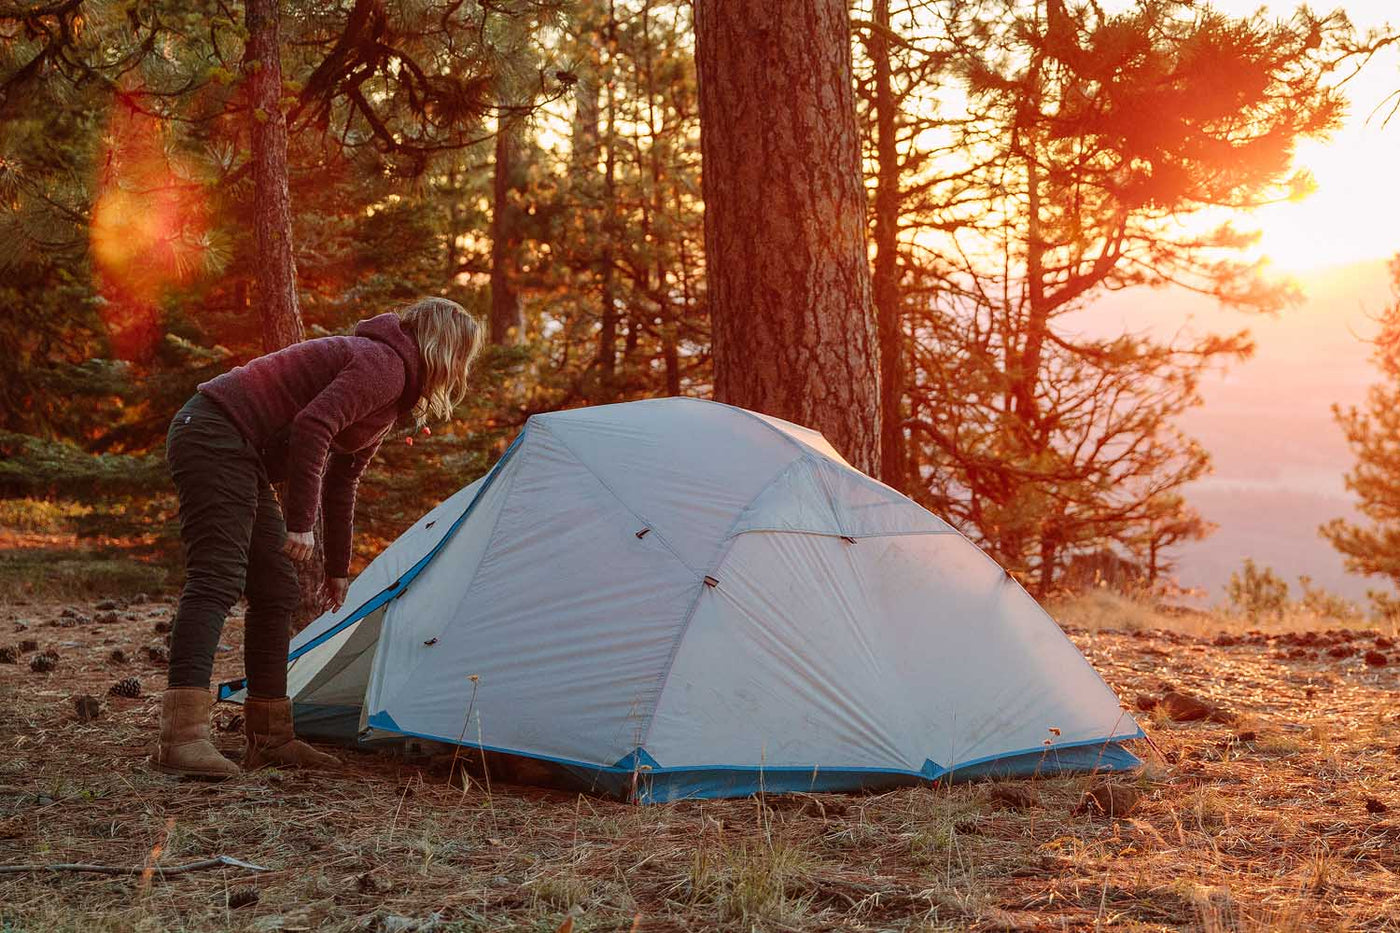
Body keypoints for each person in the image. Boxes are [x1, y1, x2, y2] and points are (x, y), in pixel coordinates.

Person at [155, 298, 483, 778]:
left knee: (276, 590)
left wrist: (337, 569)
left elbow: (343, 478)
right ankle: (180, 738)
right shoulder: (383, 364)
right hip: (213, 430)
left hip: (238, 450)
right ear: (444, 347)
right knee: (217, 577)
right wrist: (300, 523)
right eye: (463, 357)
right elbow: (314, 426)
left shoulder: (394, 394)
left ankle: (270, 739)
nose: (460, 370)